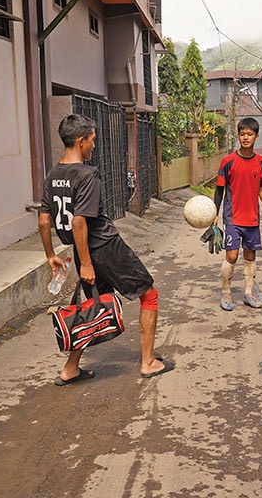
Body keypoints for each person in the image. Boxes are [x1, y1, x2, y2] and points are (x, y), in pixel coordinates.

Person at [38, 114, 173, 385]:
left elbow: (43, 218)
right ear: (80, 140)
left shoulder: (53, 174)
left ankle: (70, 369)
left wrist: (50, 254)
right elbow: (78, 221)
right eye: (92, 140)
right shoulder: (87, 175)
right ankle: (147, 363)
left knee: (88, 305)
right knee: (149, 293)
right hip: (103, 247)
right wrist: (87, 263)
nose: (94, 146)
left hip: (82, 251)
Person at [213, 117, 262, 311]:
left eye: (249, 134)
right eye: (242, 134)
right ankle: (226, 294)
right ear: (238, 136)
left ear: (256, 136)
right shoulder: (228, 162)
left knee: (250, 257)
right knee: (231, 256)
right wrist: (215, 212)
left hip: (252, 219)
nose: (245, 138)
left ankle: (248, 294)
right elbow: (219, 189)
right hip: (233, 218)